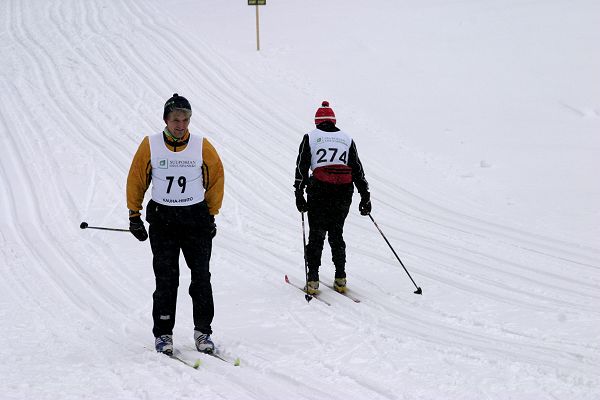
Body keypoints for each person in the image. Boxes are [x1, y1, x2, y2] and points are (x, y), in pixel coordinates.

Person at [126, 93, 224, 356]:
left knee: (201, 278)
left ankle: (203, 331)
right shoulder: (151, 145)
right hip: (164, 220)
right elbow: (137, 178)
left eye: (185, 120)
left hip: (195, 219)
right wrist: (133, 215)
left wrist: (211, 214)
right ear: (166, 120)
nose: (181, 125)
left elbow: (216, 177)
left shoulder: (202, 145)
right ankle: (164, 334)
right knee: (167, 279)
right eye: (176, 119)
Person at [293, 101, 371, 295]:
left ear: (317, 122)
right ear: (333, 121)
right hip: (343, 191)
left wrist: (299, 193)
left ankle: (313, 280)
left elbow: (301, 167)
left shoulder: (310, 137)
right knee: (337, 233)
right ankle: (340, 278)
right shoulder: (346, 138)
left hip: (319, 190)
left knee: (317, 234)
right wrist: (365, 196)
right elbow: (357, 170)